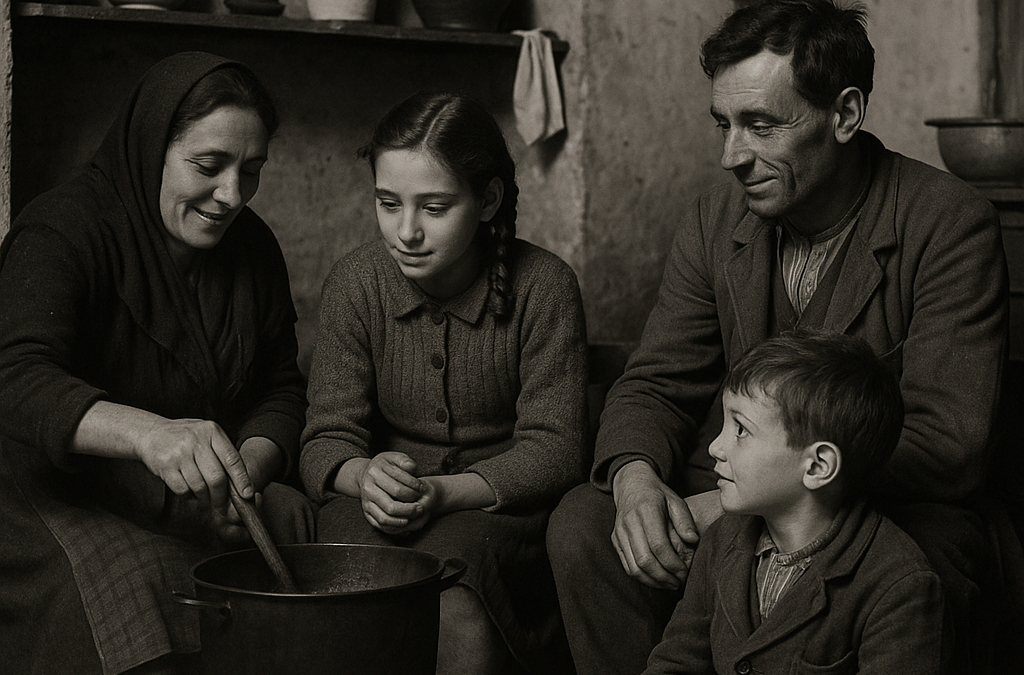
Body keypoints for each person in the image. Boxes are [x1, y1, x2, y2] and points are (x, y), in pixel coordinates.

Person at [547, 1, 1012, 673]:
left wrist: (758, 499)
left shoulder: (948, 223)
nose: (731, 156)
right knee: (583, 526)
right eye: (725, 124)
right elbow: (655, 382)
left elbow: (947, 444)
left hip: (885, 500)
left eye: (761, 125)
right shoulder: (713, 221)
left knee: (920, 566)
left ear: (844, 114)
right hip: (739, 481)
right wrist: (635, 480)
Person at [0, 52, 312, 674]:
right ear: (151, 147)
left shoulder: (253, 248)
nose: (231, 196)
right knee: (146, 582)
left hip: (196, 497)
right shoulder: (63, 230)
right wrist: (149, 434)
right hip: (52, 493)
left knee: (301, 538)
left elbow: (280, 386)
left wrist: (246, 470)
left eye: (251, 171)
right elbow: (14, 376)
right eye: (208, 166)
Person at [299, 91, 587, 675]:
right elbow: (324, 440)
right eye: (387, 203)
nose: (406, 231)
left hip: (498, 514)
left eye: (434, 208)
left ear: (488, 200)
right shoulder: (356, 284)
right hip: (375, 510)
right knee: (348, 580)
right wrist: (364, 475)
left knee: (456, 592)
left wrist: (443, 493)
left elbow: (557, 450)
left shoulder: (545, 287)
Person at [643, 331, 945, 675]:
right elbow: (677, 661)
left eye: (740, 429)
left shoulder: (901, 585)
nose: (715, 447)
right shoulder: (721, 539)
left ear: (817, 466)